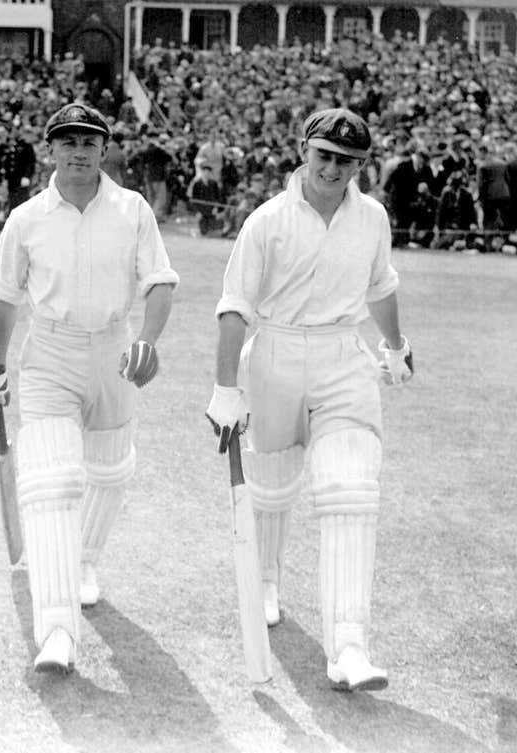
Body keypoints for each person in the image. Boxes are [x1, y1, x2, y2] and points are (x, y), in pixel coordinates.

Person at [206, 108, 413, 693]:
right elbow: (234, 307)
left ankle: (348, 646)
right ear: (304, 151)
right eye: (324, 155)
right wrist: (226, 389)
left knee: (350, 490)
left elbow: (381, 288)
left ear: (360, 166)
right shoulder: (267, 221)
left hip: (342, 359)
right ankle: (266, 579)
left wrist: (395, 348)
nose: (333, 168)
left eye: (346, 161)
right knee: (271, 491)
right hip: (272, 354)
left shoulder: (372, 218)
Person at [0, 103, 179, 674]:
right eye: (67, 141)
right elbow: (5, 296)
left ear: (104, 148)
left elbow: (160, 281)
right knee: (50, 485)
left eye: (88, 141)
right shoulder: (27, 218)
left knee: (110, 473)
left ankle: (84, 559)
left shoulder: (132, 209)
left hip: (114, 349)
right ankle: (58, 630)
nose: (78, 151)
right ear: (52, 149)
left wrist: (149, 339)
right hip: (50, 354)